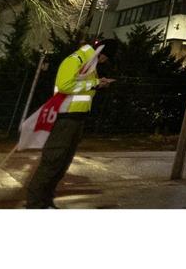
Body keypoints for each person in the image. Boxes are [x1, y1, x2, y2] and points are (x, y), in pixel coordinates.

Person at [25, 38, 117, 208]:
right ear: (101, 53)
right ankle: (34, 203)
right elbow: (65, 85)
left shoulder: (89, 65)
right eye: (106, 57)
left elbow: (82, 88)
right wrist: (95, 83)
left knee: (62, 163)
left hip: (77, 118)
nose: (105, 61)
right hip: (65, 118)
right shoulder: (76, 60)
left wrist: (97, 84)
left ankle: (45, 200)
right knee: (53, 161)